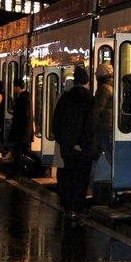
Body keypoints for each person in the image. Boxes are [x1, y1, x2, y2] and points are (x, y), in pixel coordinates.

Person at [52, 65, 95, 222]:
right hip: (84, 149)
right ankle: (78, 208)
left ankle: (68, 207)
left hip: (67, 148)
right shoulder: (90, 99)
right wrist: (82, 143)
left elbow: (56, 122)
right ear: (86, 82)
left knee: (68, 176)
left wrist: (65, 142)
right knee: (82, 179)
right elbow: (90, 125)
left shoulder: (65, 98)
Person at [6, 77, 36, 178]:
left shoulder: (23, 98)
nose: (14, 89)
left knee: (18, 151)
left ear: (18, 87)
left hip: (21, 131)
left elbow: (24, 116)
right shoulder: (25, 97)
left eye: (14, 87)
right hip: (22, 131)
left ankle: (16, 172)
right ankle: (38, 164)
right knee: (23, 150)